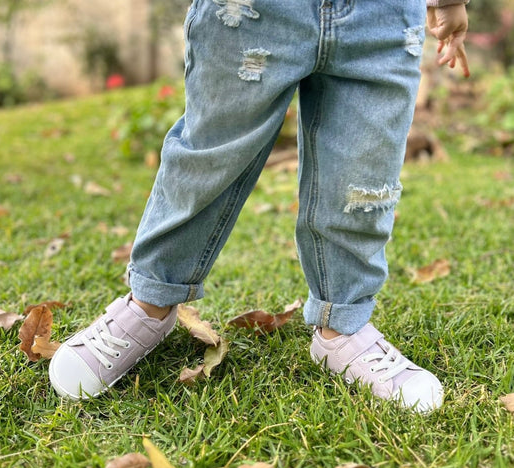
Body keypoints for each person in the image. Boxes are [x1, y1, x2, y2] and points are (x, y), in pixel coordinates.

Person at [49, 0, 470, 412]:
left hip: (383, 16)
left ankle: (342, 326)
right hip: (253, 11)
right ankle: (150, 303)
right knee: (207, 160)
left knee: (362, 182)